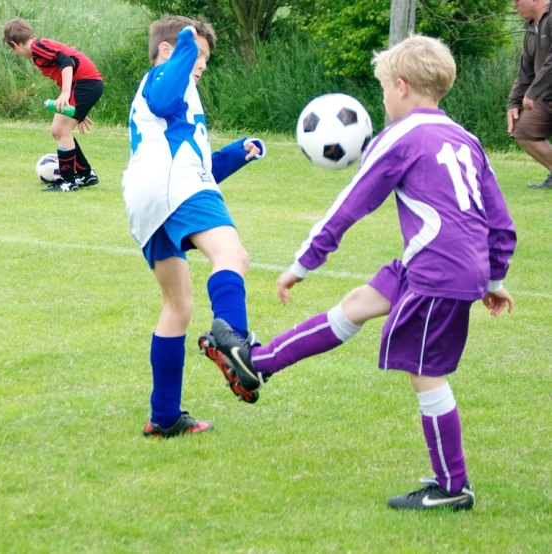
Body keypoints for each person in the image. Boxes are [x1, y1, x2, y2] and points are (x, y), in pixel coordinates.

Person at [201, 36, 517, 509]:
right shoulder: (465, 138)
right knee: (358, 304)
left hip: (439, 269)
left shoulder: (403, 136)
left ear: (403, 87)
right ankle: (256, 364)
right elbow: (501, 220)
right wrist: (492, 279)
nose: (384, 100)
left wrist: (301, 265)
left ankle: (453, 487)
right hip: (436, 262)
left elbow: (350, 206)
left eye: (386, 89)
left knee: (425, 373)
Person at [121, 15, 266, 438]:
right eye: (198, 55)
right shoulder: (166, 76)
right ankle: (233, 339)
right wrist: (187, 42)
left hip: (151, 196)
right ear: (169, 50)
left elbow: (197, 166)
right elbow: (166, 99)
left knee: (178, 306)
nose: (201, 63)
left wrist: (236, 155)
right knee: (233, 255)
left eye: (202, 57)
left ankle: (164, 415)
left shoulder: (177, 98)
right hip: (172, 185)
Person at [3, 19, 104, 192]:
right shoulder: (38, 51)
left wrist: (66, 94)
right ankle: (85, 174)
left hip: (85, 84)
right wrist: (78, 110)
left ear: (14, 44)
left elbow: (67, 62)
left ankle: (67, 181)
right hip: (84, 87)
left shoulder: (38, 46)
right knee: (57, 129)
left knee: (61, 130)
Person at [507, 0, 552, 189]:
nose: (515, 5)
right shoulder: (531, 29)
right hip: (546, 96)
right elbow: (525, 71)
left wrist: (532, 93)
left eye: (518, 0)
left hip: (540, 93)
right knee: (524, 130)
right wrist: (513, 103)